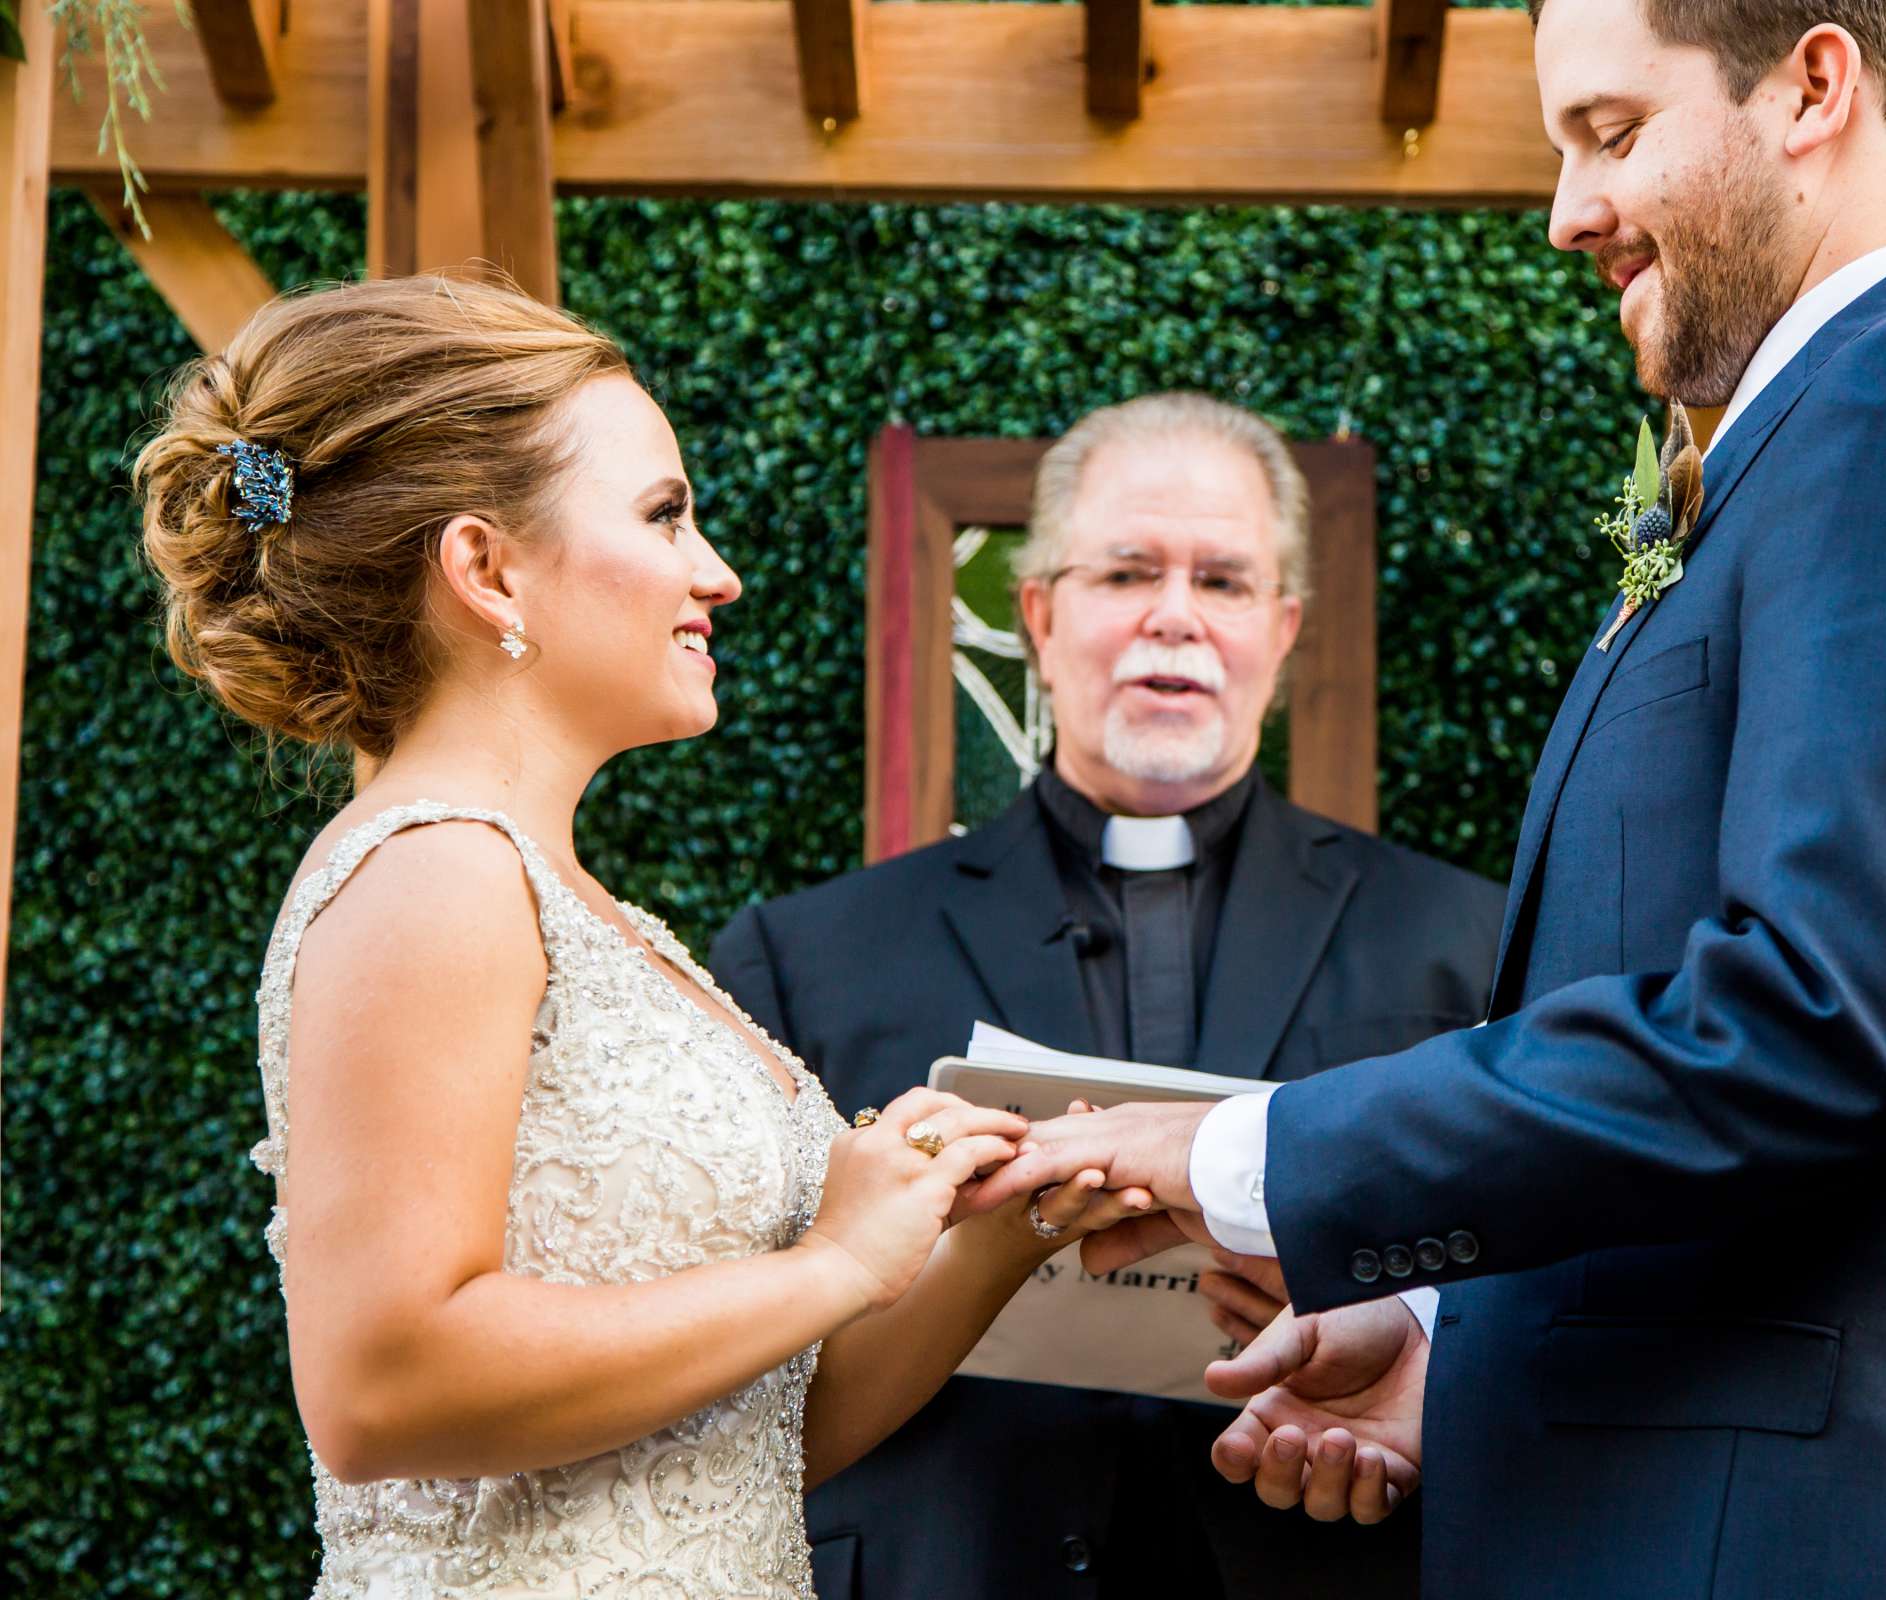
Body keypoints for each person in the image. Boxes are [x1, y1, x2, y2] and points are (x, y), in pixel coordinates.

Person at [983, 3, 1886, 1595]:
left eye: (1612, 134)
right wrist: (1461, 1359)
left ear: (1813, 89)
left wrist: (1244, 1155)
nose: (1565, 211)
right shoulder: (1813, 441)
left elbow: (1834, 1026)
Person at [135, 274, 1154, 1599]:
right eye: (664, 515)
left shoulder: (583, 909)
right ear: (485, 568)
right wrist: (840, 1256)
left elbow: (739, 1449)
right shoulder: (433, 872)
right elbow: (384, 1387)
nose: (714, 573)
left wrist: (985, 1244)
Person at [711, 392, 1503, 1598]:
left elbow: (1548, 1276)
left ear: (1284, 627)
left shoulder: (1464, 941)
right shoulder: (804, 955)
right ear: (1038, 613)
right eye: (1128, 571)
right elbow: (738, 1340)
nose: (1173, 618)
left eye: (1225, 583)